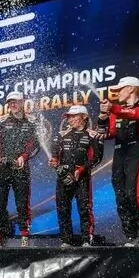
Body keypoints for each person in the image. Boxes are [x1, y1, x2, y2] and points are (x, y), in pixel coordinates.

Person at [98, 75, 139, 246]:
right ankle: (131, 235)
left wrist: (113, 108)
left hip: (137, 153)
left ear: (131, 88)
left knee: (134, 194)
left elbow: (138, 114)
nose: (117, 93)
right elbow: (110, 133)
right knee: (121, 195)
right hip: (119, 155)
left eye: (120, 89)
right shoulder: (117, 111)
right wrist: (102, 119)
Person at [0, 91, 41, 247]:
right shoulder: (2, 121)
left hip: (20, 169)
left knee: (22, 204)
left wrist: (24, 156)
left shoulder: (31, 122)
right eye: (10, 103)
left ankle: (24, 236)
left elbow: (35, 145)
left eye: (15, 102)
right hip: (2, 168)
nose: (12, 105)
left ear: (22, 102)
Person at [49, 106, 104, 247]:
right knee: (62, 208)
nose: (70, 119)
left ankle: (86, 239)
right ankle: (66, 240)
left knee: (84, 208)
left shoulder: (92, 135)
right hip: (64, 177)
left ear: (84, 117)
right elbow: (54, 154)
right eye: (69, 117)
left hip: (82, 177)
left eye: (74, 116)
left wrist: (82, 169)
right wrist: (54, 160)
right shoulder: (62, 135)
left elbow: (97, 158)